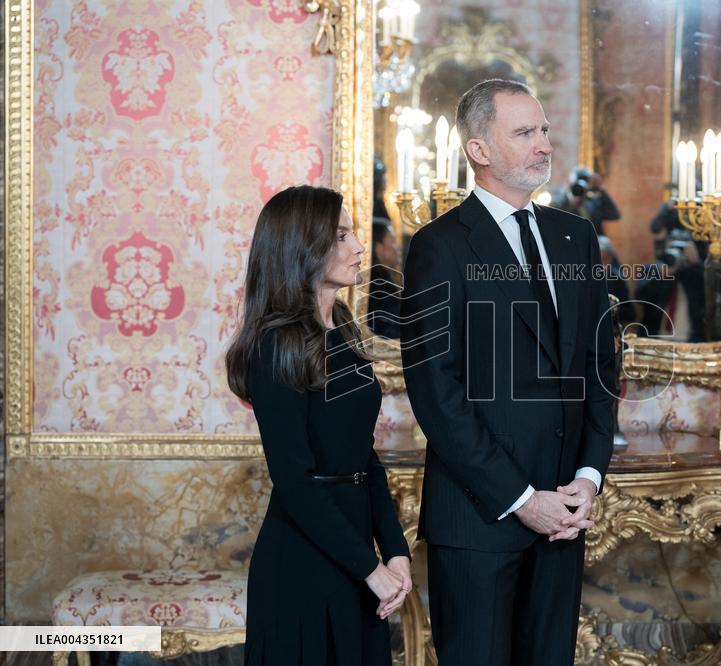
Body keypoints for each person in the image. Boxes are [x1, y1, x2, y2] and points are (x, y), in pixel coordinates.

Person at [400, 79, 616, 666]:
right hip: (478, 520)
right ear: (479, 150)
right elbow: (436, 391)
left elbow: (599, 364)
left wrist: (589, 476)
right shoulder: (439, 245)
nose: (544, 144)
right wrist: (521, 499)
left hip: (565, 517)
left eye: (544, 130)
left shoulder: (574, 238)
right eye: (524, 132)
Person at [226, 185, 412, 665]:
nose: (358, 247)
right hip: (303, 561)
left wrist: (394, 551)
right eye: (342, 236)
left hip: (355, 553)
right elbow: (294, 481)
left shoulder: (345, 329)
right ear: (301, 249)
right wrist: (370, 567)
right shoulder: (276, 346)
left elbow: (362, 456)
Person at [550, 166, 621, 235]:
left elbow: (615, 215)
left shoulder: (594, 202)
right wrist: (573, 205)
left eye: (586, 180)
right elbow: (553, 219)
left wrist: (601, 189)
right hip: (569, 239)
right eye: (577, 182)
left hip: (592, 241)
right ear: (571, 184)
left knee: (604, 242)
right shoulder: (561, 201)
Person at [367, 217, 402, 339]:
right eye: (392, 241)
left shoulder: (383, 277)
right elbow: (386, 327)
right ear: (378, 248)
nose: (397, 248)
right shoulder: (375, 283)